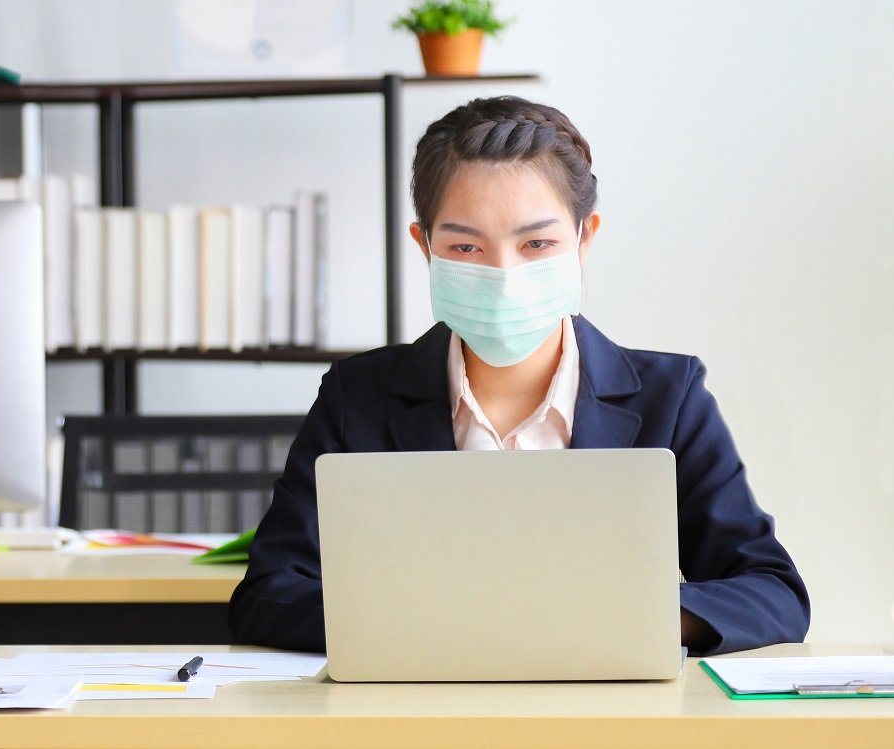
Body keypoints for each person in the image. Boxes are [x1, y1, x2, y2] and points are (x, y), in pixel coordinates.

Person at [227, 96, 809, 657]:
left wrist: (623, 620)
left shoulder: (669, 396)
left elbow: (772, 592)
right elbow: (269, 595)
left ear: (585, 239)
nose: (504, 273)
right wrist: (452, 625)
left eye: (537, 243)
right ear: (424, 246)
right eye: (466, 246)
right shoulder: (359, 396)